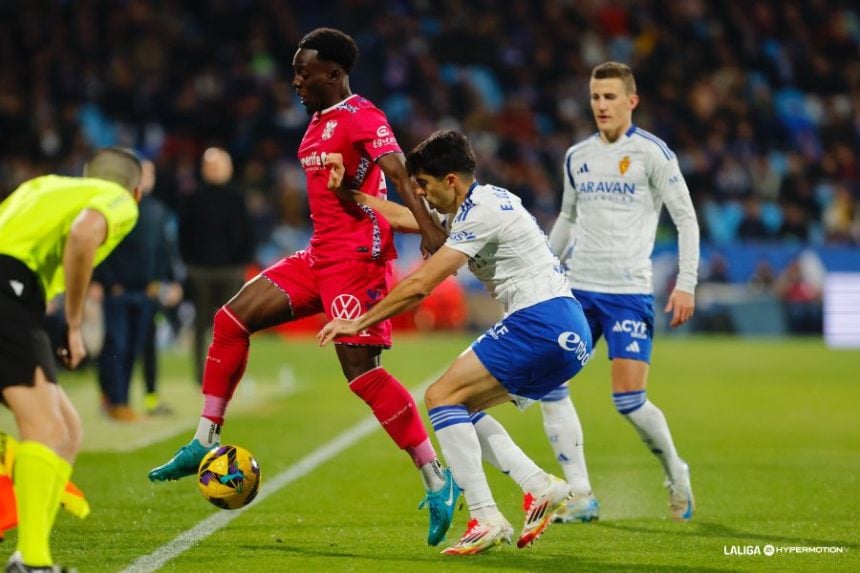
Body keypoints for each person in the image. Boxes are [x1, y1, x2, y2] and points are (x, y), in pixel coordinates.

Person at [148, 28, 456, 546]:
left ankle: (437, 478)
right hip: (319, 254)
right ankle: (205, 439)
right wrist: (348, 189)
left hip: (355, 261)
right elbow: (355, 191)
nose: (294, 80)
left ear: (333, 73)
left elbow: (399, 173)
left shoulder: (363, 115)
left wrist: (428, 231)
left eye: (303, 71)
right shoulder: (315, 123)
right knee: (230, 321)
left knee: (361, 375)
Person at [319, 130, 593, 555]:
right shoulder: (475, 205)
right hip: (567, 331)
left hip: (541, 320)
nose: (420, 197)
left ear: (450, 180)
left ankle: (485, 516)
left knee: (440, 396)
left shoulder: (480, 212)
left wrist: (361, 322)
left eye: (424, 185)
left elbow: (422, 284)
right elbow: (403, 218)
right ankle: (539, 485)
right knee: (462, 406)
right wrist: (351, 194)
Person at [544, 61, 700, 523]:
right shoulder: (577, 156)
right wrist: (545, 272)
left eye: (610, 97)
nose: (601, 105)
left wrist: (686, 283)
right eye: (595, 97)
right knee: (550, 385)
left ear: (632, 100)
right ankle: (581, 495)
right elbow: (567, 219)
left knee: (628, 401)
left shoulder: (654, 154)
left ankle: (676, 469)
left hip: (628, 291)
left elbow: (686, 219)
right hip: (579, 290)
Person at [0, 147, 141, 572]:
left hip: (18, 296)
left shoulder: (40, 186)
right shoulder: (116, 200)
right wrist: (74, 324)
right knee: (44, 427)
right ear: (135, 191)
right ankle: (33, 563)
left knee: (66, 430)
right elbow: (83, 236)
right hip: (9, 290)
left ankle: (30, 554)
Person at [93, 159, 182, 421]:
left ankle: (121, 400)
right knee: (116, 345)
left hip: (146, 291)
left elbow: (165, 250)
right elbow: (101, 246)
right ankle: (116, 399)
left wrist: (169, 280)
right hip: (118, 290)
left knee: (133, 347)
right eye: (142, 172)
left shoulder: (158, 210)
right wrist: (104, 281)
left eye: (150, 172)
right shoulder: (115, 206)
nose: (147, 177)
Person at [179, 147, 254, 385]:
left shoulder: (237, 198)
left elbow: (248, 234)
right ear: (204, 169)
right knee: (201, 326)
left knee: (232, 327)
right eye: (212, 166)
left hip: (230, 270)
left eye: (220, 166)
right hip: (201, 270)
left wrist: (241, 263)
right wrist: (190, 264)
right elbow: (184, 234)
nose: (216, 170)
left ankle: (230, 372)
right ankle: (202, 377)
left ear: (229, 169)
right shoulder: (192, 198)